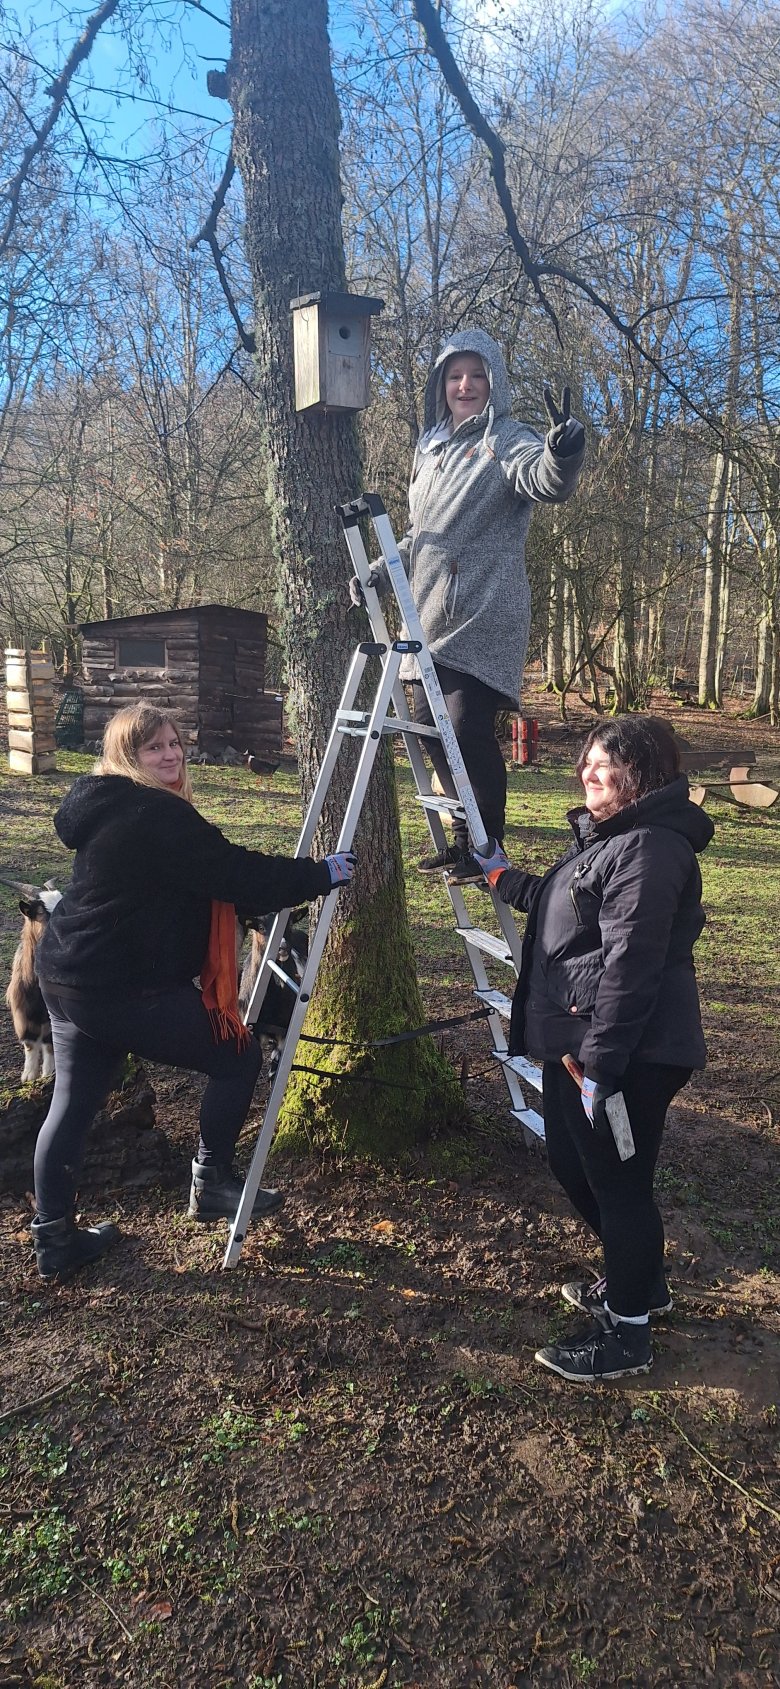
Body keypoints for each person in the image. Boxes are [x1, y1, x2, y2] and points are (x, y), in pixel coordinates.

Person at [31, 704, 356, 1282]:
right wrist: (320, 873)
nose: (171, 755)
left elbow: (182, 881)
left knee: (73, 1104)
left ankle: (54, 1239)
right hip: (116, 986)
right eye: (154, 748)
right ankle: (212, 1184)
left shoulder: (105, 803)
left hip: (67, 973)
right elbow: (233, 872)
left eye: (175, 743)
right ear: (128, 756)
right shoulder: (154, 813)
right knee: (237, 1056)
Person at [473, 716, 714, 1382]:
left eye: (602, 763)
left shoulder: (652, 848)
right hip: (580, 1043)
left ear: (640, 773)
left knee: (619, 1183)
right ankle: (644, 1282)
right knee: (572, 1163)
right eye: (586, 762)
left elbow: (631, 965)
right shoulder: (609, 842)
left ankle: (628, 1335)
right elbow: (562, 906)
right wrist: (500, 876)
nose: (586, 772)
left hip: (626, 1051)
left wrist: (603, 1069)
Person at [353, 329, 585, 883]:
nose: (466, 385)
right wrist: (383, 571)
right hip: (425, 614)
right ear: (441, 384)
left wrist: (562, 451)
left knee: (461, 725)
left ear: (494, 383)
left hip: (483, 613)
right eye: (455, 376)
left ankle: (489, 845)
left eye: (477, 376)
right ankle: (463, 842)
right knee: (430, 732)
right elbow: (421, 535)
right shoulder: (430, 447)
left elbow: (543, 479)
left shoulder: (505, 439)